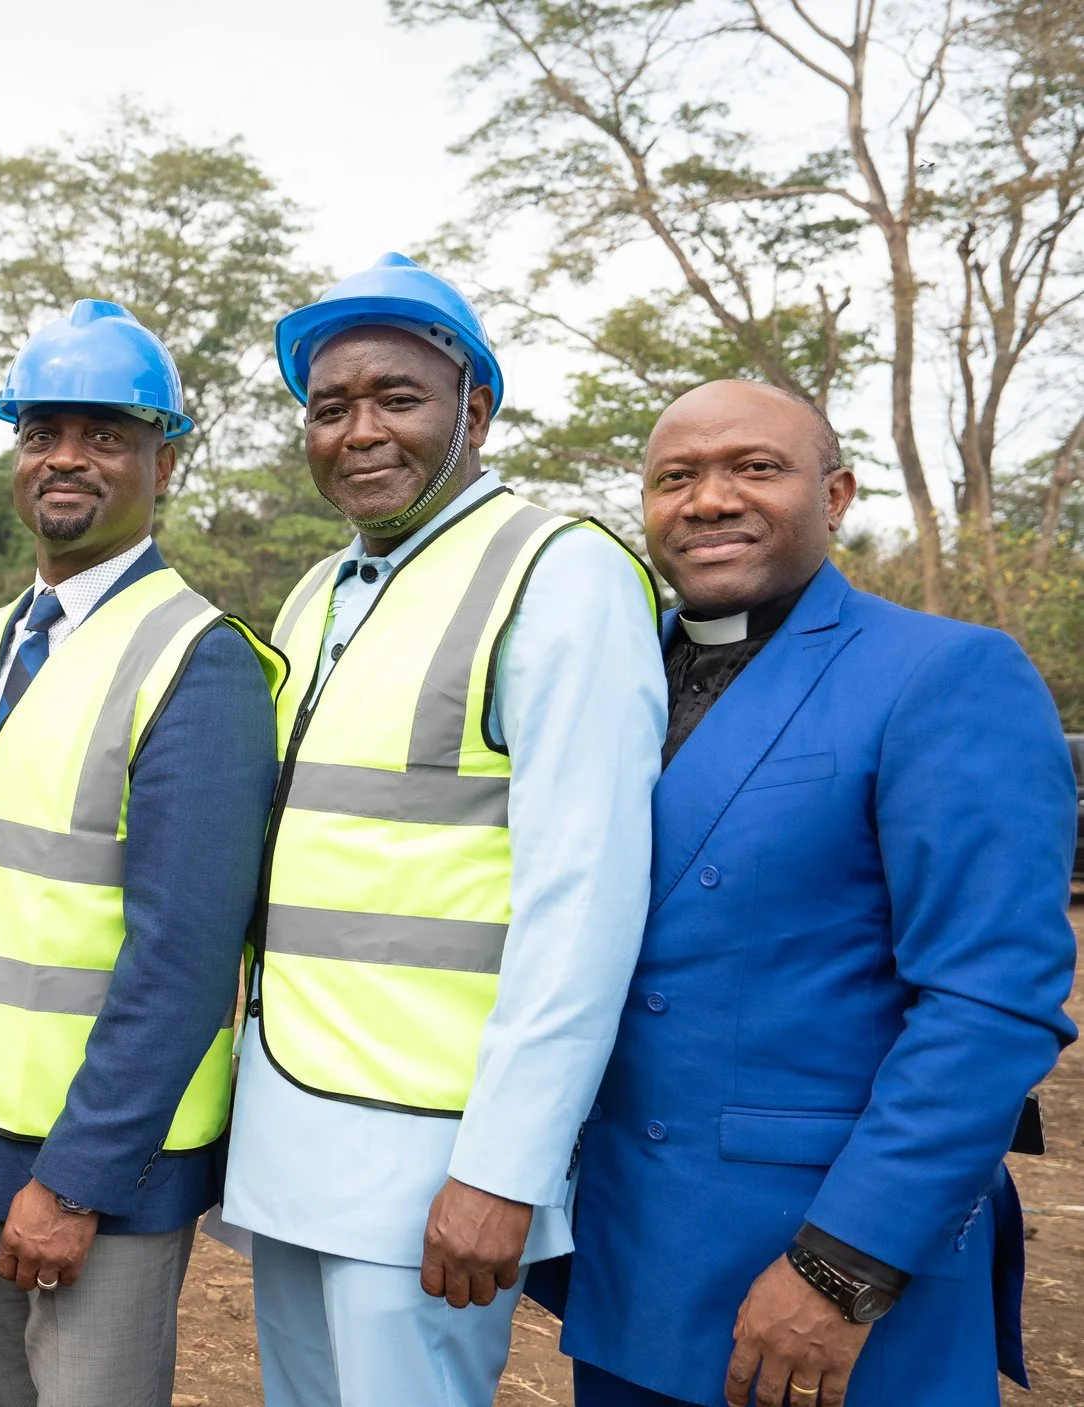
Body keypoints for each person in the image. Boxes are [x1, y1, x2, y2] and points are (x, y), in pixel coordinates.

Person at [557, 380, 1079, 1407]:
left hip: (823, 1274)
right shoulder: (608, 674)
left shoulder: (944, 673)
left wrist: (841, 1267)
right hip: (631, 1257)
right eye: (675, 477)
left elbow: (988, 1006)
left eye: (755, 468)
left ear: (834, 496)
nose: (709, 498)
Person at [206, 254, 665, 1407]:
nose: (359, 431)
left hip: (432, 1153)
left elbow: (586, 899)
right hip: (291, 1126)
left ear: (476, 409)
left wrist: (504, 1168)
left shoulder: (558, 573)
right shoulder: (318, 590)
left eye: (396, 397)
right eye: (329, 407)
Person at [0, 300, 281, 1407]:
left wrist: (78, 1181)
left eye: (105, 435)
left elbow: (184, 958)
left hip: (105, 1168)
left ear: (163, 463)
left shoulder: (200, 660)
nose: (66, 457)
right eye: (42, 433)